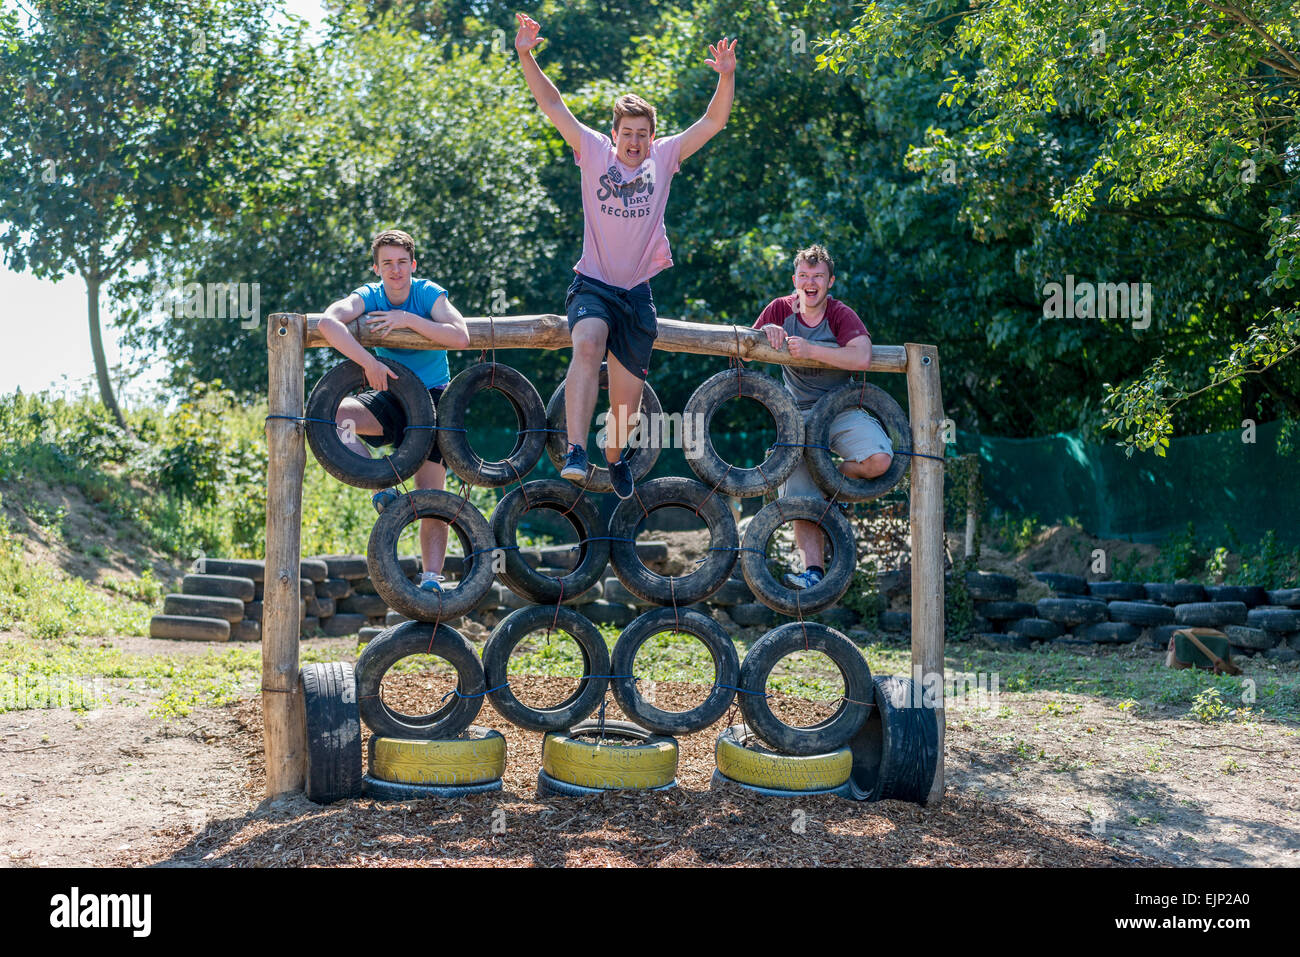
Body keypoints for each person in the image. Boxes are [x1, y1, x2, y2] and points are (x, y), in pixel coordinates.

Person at [514, 11, 737, 499]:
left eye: (642, 134)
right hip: (592, 284)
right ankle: (575, 450)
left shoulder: (665, 158)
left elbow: (714, 120)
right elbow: (551, 103)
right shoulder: (592, 151)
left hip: (636, 296)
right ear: (614, 133)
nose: (634, 142)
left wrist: (725, 76)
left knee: (623, 411)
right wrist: (526, 54)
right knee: (588, 343)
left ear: (651, 138)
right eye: (627, 133)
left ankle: (614, 458)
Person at [317, 229, 470, 592]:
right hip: (388, 393)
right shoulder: (369, 296)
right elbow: (326, 323)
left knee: (432, 496)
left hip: (432, 400)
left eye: (402, 263)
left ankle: (432, 578)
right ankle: (382, 482)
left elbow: (460, 335)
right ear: (376, 268)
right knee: (337, 416)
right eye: (387, 263)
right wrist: (368, 362)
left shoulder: (427, 292)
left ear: (413, 265)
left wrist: (407, 320)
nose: (396, 270)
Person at [753, 245, 893, 589]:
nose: (810, 283)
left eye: (817, 277)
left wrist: (811, 350)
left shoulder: (841, 314)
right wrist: (764, 335)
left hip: (840, 408)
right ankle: (813, 573)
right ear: (794, 280)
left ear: (830, 282)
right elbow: (746, 348)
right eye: (804, 276)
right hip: (796, 415)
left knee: (879, 461)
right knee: (801, 500)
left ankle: (826, 481)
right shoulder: (780, 309)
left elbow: (861, 357)